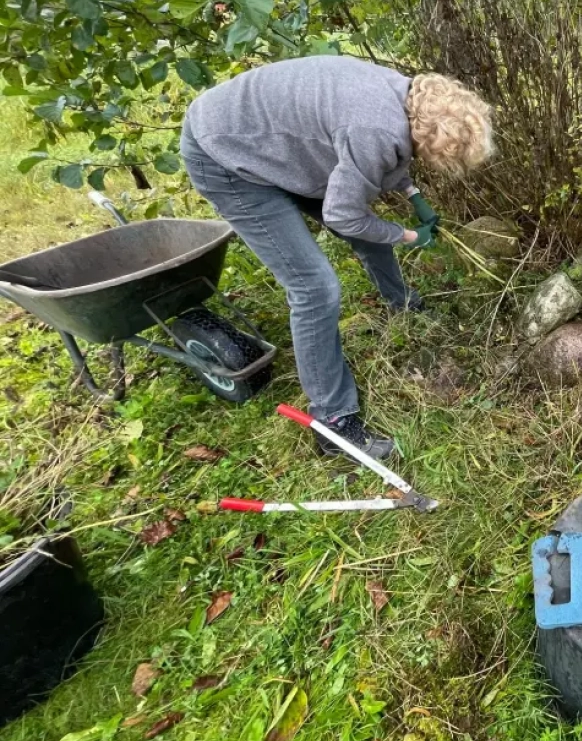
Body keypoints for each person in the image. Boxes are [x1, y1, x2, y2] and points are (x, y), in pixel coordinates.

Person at [180, 56, 493, 459]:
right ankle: (333, 423)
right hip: (225, 155)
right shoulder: (374, 129)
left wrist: (414, 196)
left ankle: (402, 303)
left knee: (368, 230)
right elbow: (343, 214)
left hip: (270, 142)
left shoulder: (405, 94)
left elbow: (389, 152)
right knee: (315, 287)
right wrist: (406, 235)